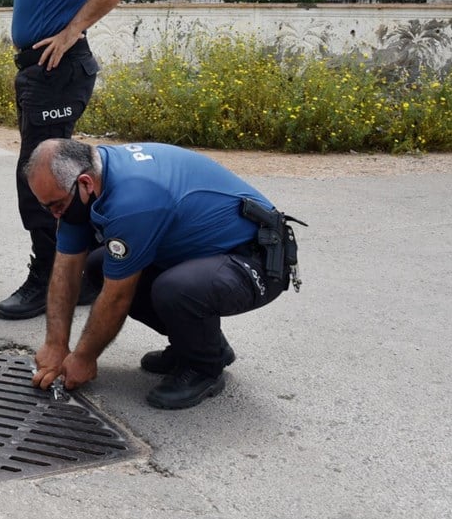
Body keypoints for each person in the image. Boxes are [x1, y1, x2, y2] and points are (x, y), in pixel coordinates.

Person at [26, 139, 303, 410]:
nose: (55, 216)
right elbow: (66, 269)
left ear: (85, 182)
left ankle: (204, 367)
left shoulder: (133, 198)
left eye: (56, 206)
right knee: (99, 265)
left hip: (256, 262)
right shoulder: (85, 186)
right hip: (208, 254)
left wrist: (84, 357)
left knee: (174, 289)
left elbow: (117, 296)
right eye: (46, 207)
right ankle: (199, 345)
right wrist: (55, 344)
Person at [0, 0, 139, 321]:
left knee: (39, 176)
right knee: (58, 174)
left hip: (60, 66)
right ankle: (81, 274)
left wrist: (75, 28)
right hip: (36, 69)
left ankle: (52, 278)